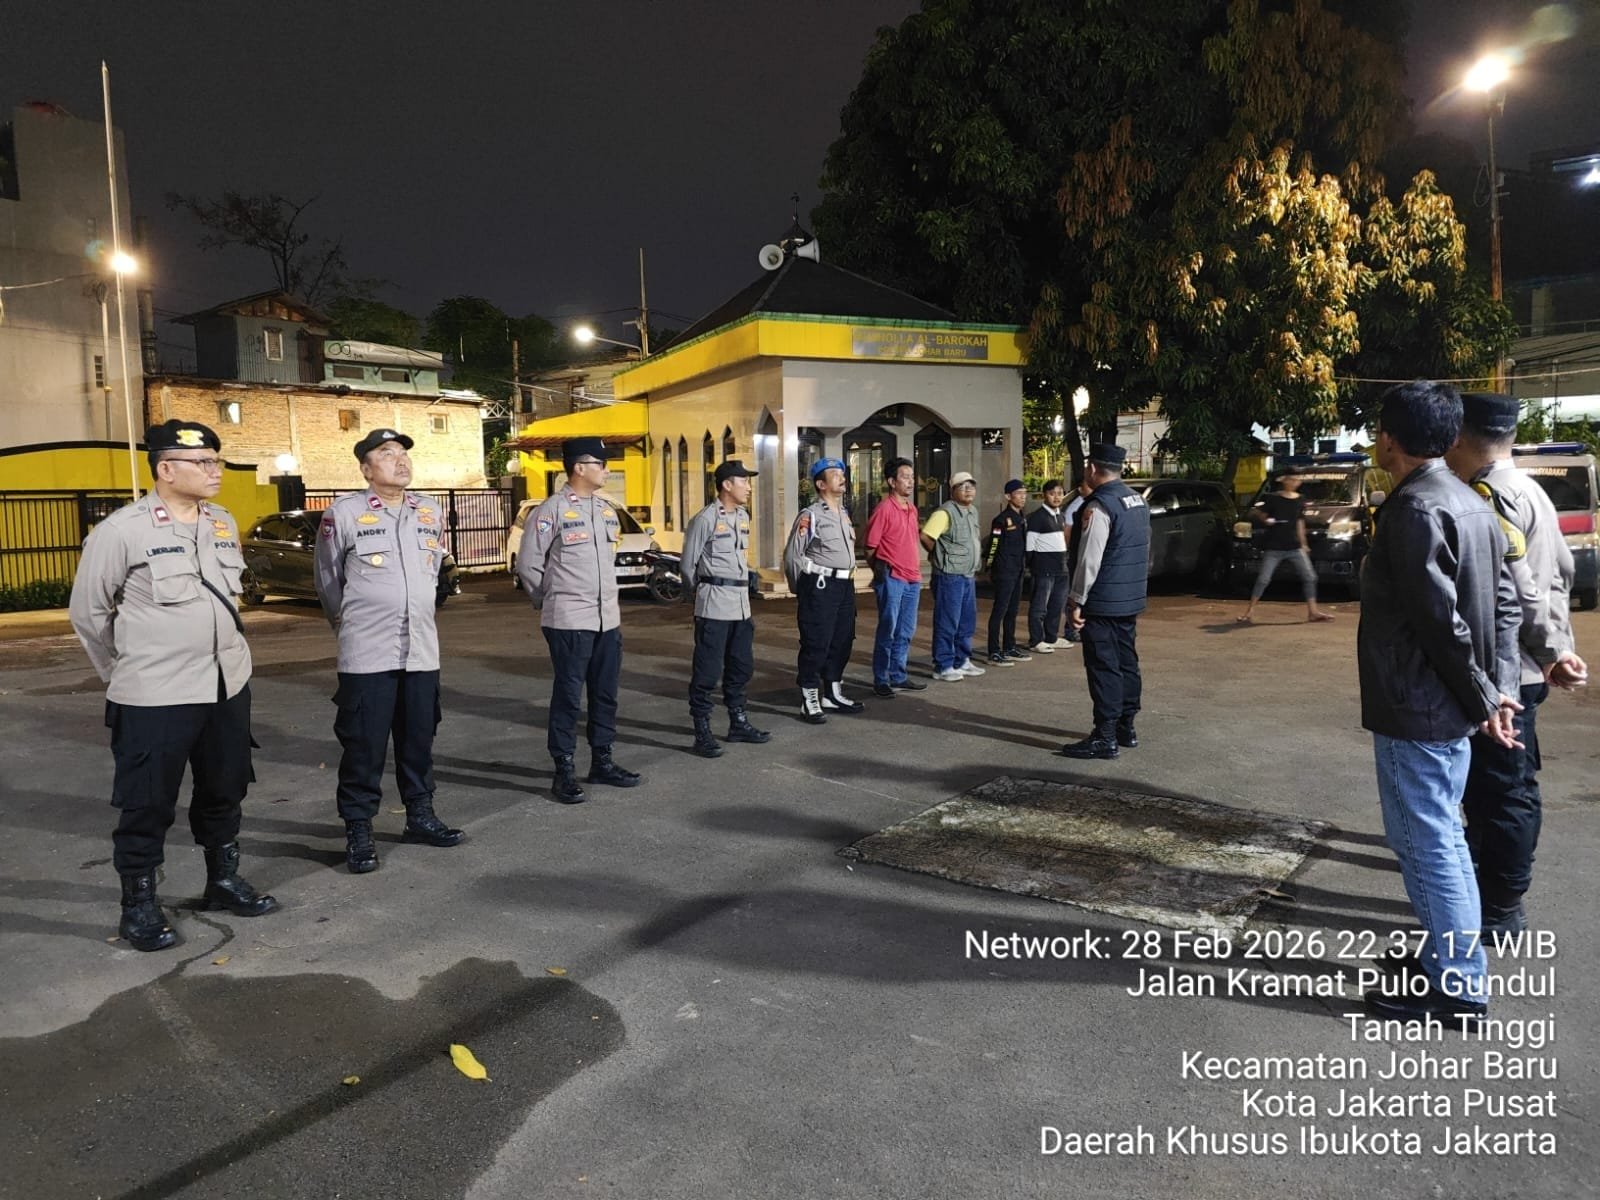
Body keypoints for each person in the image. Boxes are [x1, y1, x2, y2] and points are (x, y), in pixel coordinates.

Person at [68, 419, 278, 951]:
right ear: (166, 469)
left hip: (226, 686)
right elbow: (89, 614)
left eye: (216, 460)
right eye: (202, 462)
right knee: (147, 802)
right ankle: (138, 906)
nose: (215, 470)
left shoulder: (222, 521)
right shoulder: (122, 531)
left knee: (225, 788)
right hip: (156, 695)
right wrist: (126, 672)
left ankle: (222, 879)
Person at [1357, 381, 1522, 1025]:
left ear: (1389, 439)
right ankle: (1444, 959)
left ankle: (1456, 985)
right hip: (1444, 701)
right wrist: (1496, 690)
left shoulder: (1416, 509)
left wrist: (1484, 698)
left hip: (1420, 704)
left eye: (1378, 430)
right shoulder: (1466, 501)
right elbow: (1504, 605)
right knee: (1440, 836)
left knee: (1428, 843)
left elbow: (1439, 622)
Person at [1445, 392, 1588, 935]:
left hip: (1509, 674)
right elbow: (1563, 573)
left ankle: (1501, 908)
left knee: (1504, 791)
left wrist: (1551, 652)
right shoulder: (1532, 490)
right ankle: (1490, 886)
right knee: (1498, 787)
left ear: (1458, 437)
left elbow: (1517, 592)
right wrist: (1559, 646)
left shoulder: (1489, 497)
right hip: (1529, 667)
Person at [313, 428, 464, 874]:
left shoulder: (429, 511)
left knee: (419, 739)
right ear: (366, 469)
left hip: (421, 649)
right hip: (368, 652)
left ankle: (420, 815)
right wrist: (348, 623)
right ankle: (359, 829)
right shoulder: (343, 514)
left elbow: (433, 571)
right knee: (364, 746)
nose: (400, 460)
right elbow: (328, 580)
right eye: (386, 453)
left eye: (402, 453)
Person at [516, 437, 642, 802]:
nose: (606, 470)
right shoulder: (551, 511)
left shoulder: (605, 510)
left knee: (605, 694)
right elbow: (528, 565)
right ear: (579, 467)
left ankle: (602, 761)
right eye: (601, 463)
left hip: (607, 620)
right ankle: (564, 769)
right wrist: (551, 601)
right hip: (570, 621)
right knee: (569, 697)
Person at [1061, 445, 1150, 759]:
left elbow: (1089, 559)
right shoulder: (1137, 500)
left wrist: (1076, 599)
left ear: (1092, 468)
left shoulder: (1099, 506)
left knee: (1103, 666)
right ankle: (1126, 727)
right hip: (1129, 597)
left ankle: (1105, 736)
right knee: (1127, 662)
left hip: (1103, 600)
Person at [680, 459, 771, 757]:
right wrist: (701, 592)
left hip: (741, 607)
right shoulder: (705, 518)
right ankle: (702, 730)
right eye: (744, 481)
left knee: (741, 667)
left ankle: (738, 722)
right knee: (707, 671)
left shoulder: (743, 516)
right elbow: (688, 565)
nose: (748, 487)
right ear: (727, 485)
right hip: (714, 605)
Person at [783, 457, 863, 722]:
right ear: (821, 484)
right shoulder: (811, 515)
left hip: (845, 586)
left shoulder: (843, 514)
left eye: (842, 473)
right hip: (821, 586)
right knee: (817, 642)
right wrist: (802, 590)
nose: (842, 477)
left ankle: (832, 692)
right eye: (835, 474)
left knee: (843, 640)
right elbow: (793, 556)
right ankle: (809, 697)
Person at [863, 456, 927, 697]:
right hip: (892, 577)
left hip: (912, 579)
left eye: (912, 477)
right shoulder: (884, 509)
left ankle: (898, 675)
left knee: (906, 631)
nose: (910, 482)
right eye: (905, 477)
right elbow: (870, 547)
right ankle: (881, 678)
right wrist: (881, 573)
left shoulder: (912, 509)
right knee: (888, 630)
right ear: (892, 482)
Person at [1238, 470, 1335, 623]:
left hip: (1294, 547)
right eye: (1291, 479)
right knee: (1263, 579)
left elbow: (1300, 523)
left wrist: (1304, 544)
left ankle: (1313, 612)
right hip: (1274, 547)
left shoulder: (1300, 499)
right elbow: (1258, 512)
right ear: (1284, 480)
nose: (1294, 482)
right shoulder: (1273, 498)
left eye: (1296, 480)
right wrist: (1267, 519)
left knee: (1310, 577)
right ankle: (1249, 612)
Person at [920, 471, 985, 683]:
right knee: (947, 621)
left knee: (966, 621)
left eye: (971, 486)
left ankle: (962, 660)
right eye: (962, 486)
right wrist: (938, 555)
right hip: (949, 575)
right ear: (952, 490)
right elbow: (926, 536)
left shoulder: (972, 511)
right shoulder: (945, 512)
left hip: (967, 574)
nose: (968, 490)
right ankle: (943, 665)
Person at [983, 479, 1032, 666]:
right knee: (1000, 610)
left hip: (1018, 570)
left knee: (1013, 611)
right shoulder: (1001, 520)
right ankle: (994, 651)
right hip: (1004, 571)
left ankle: (1009, 646)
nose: (1023, 497)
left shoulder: (1022, 518)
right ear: (1008, 496)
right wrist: (988, 567)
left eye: (1024, 494)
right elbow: (993, 545)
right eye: (1019, 494)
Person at [1025, 480, 1071, 653]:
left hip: (1060, 568)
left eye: (1060, 493)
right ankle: (1036, 640)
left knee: (1056, 606)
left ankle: (1051, 637)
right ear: (1044, 495)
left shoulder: (1061, 516)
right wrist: (1034, 565)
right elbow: (1030, 546)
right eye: (1052, 493)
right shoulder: (1037, 517)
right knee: (1039, 606)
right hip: (1044, 569)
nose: (1056, 497)